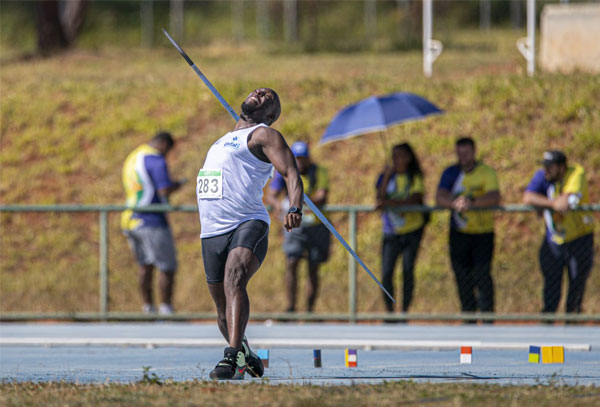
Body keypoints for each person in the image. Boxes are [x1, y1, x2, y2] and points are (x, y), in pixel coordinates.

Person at [197, 88, 303, 380]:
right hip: (212, 230)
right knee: (222, 311)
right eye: (258, 91)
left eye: (268, 97)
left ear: (270, 116)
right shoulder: (222, 140)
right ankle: (245, 353)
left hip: (247, 222)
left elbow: (292, 172)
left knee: (235, 279)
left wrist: (295, 206)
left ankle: (230, 359)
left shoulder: (264, 136)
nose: (260, 92)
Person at [435, 137, 501, 319]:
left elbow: (494, 196)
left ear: (474, 152)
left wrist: (472, 202)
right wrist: (454, 203)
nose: (462, 157)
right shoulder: (451, 173)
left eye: (466, 153)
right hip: (459, 233)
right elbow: (440, 196)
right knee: (462, 275)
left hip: (482, 233)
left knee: (482, 273)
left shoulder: (485, 172)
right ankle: (468, 316)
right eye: (459, 153)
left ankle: (487, 315)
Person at [121, 131, 185, 315]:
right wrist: (178, 184)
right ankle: (166, 309)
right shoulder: (155, 159)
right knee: (167, 265)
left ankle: (148, 308)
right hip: (152, 219)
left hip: (131, 219)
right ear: (164, 144)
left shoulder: (134, 156)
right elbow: (164, 189)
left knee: (145, 266)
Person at [523, 150, 594, 314]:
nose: (546, 170)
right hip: (554, 240)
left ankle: (573, 326)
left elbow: (565, 202)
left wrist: (547, 204)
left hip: (579, 239)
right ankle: (547, 328)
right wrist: (552, 204)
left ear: (562, 168)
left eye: (550, 167)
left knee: (576, 286)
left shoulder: (576, 173)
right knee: (551, 288)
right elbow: (528, 197)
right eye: (545, 166)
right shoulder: (544, 176)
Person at [266, 141, 330, 313]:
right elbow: (271, 195)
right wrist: (279, 204)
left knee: (313, 266)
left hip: (315, 226)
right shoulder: (284, 172)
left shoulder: (318, 172)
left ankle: (310, 309)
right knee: (292, 262)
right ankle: (291, 307)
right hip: (295, 226)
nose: (300, 163)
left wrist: (296, 202)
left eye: (303, 159)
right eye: (297, 159)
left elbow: (321, 195)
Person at [375, 143, 426, 315]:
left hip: (412, 230)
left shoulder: (414, 177)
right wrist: (387, 176)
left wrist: (390, 203)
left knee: (407, 270)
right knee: (387, 272)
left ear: (408, 158)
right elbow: (379, 199)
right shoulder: (386, 177)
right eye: (393, 155)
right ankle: (390, 312)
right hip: (391, 232)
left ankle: (404, 310)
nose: (396, 159)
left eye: (400, 155)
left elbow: (414, 200)